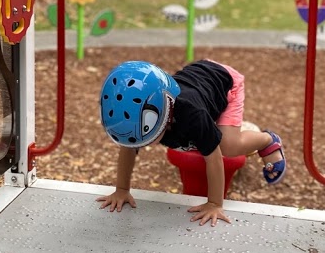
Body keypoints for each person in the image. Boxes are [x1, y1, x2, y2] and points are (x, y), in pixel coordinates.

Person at [98, 59, 286, 227]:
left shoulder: (193, 114)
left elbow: (214, 157)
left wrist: (214, 204)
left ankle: (267, 140)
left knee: (228, 146)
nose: (138, 145)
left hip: (226, 82)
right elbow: (128, 149)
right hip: (198, 78)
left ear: (166, 116)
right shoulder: (140, 114)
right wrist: (122, 190)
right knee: (200, 136)